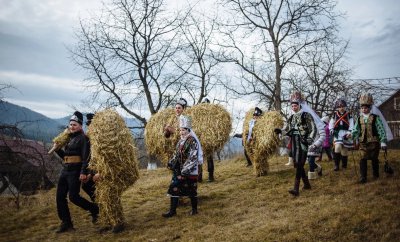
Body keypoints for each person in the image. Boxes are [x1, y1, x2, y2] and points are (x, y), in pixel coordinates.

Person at [54, 111, 99, 233]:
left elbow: (86, 157)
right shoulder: (68, 139)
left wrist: (83, 171)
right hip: (66, 170)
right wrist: (57, 149)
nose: (72, 127)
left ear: (80, 125)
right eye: (70, 124)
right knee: (59, 197)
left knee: (73, 197)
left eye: (74, 124)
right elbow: (66, 157)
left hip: (76, 171)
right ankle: (66, 222)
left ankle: (94, 209)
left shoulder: (83, 139)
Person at [275, 91, 322, 196]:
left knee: (300, 163)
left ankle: (296, 188)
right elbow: (286, 128)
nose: (294, 107)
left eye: (295, 105)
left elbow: (313, 128)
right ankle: (307, 184)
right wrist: (280, 131)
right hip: (294, 142)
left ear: (299, 105)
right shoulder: (291, 117)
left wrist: (309, 139)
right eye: (292, 105)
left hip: (303, 142)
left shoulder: (306, 115)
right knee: (297, 165)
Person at [350, 93, 393, 183]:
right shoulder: (359, 119)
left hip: (374, 142)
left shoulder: (375, 118)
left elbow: (380, 129)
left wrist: (383, 141)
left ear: (369, 108)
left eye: (365, 108)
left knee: (374, 158)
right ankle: (363, 177)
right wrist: (351, 135)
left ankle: (375, 174)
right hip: (363, 143)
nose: (363, 110)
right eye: (362, 108)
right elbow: (356, 129)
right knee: (363, 159)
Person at [163, 115, 200, 217]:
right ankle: (172, 211)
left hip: (189, 171)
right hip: (179, 171)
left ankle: (194, 210)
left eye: (183, 130)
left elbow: (193, 157)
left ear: (188, 130)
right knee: (174, 187)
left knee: (192, 190)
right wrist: (171, 162)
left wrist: (185, 170)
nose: (181, 132)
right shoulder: (180, 141)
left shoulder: (192, 141)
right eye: (180, 130)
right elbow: (176, 154)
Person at [328, 98, 354, 171]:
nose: (341, 108)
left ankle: (344, 166)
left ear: (345, 107)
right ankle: (336, 165)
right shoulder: (335, 115)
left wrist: (349, 132)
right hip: (338, 133)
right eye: (339, 107)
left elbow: (352, 124)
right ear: (337, 108)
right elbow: (331, 123)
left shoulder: (349, 114)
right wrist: (331, 130)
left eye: (343, 106)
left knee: (345, 149)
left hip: (346, 133)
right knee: (338, 147)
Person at [81, 113, 96, 202]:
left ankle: (97, 205)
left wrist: (92, 173)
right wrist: (88, 172)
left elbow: (97, 158)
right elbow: (87, 156)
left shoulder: (97, 138)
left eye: (91, 125)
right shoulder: (87, 138)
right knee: (85, 186)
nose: (89, 128)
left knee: (88, 185)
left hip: (98, 169)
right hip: (90, 168)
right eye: (88, 126)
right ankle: (96, 204)